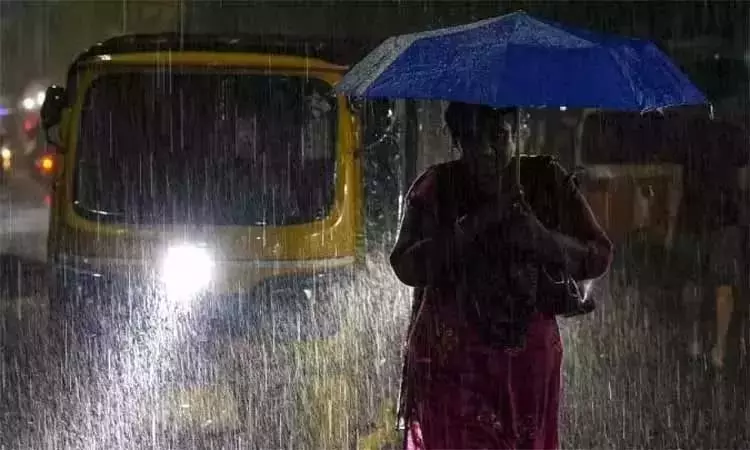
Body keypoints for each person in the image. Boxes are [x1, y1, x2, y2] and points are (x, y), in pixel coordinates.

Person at [390, 101, 613, 450]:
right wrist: (476, 224)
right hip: (454, 371)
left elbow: (598, 254)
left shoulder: (544, 180)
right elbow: (405, 264)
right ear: (457, 141)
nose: (486, 151)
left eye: (498, 136)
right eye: (472, 139)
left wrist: (541, 238)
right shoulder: (438, 186)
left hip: (526, 374)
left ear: (515, 132)